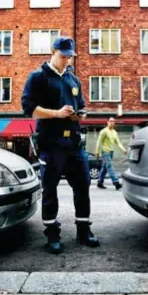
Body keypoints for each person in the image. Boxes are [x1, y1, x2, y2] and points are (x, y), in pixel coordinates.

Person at [21, 36, 100, 254]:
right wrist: (56, 113)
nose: (67, 60)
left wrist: (79, 115)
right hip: (51, 143)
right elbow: (28, 108)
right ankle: (52, 235)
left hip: (74, 143)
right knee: (50, 190)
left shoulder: (73, 80)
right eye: (63, 56)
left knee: (83, 186)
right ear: (53, 51)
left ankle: (84, 231)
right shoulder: (38, 77)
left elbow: (82, 106)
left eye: (69, 56)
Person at [95, 117, 127, 190]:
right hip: (105, 152)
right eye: (110, 121)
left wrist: (123, 149)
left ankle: (100, 182)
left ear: (114, 123)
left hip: (111, 152)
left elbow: (118, 142)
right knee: (109, 166)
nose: (111, 122)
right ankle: (116, 182)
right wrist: (97, 151)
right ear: (107, 122)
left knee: (105, 168)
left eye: (113, 121)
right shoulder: (104, 131)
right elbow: (98, 141)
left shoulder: (115, 132)